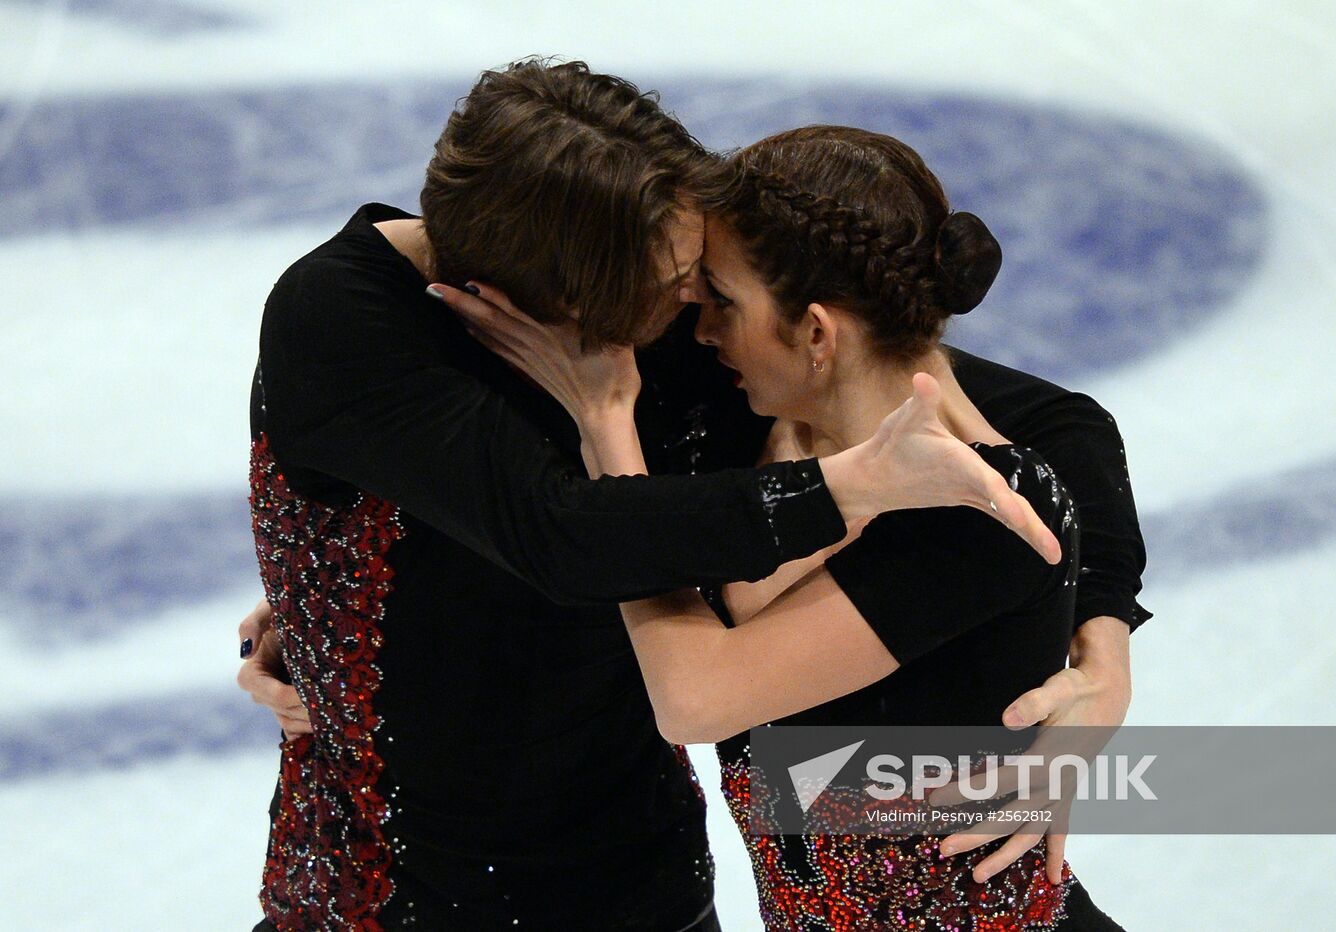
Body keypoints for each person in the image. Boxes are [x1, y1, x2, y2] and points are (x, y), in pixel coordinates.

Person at [240, 59, 1065, 931]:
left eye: (708, 285)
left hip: (641, 882)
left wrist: (1098, 651)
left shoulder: (663, 325)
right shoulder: (342, 324)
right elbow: (568, 536)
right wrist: (840, 486)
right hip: (389, 899)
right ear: (565, 294)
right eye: (678, 282)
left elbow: (1004, 412)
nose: (696, 306)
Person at [444, 125, 1137, 929]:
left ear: (814, 331)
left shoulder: (982, 506)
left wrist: (607, 430)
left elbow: (696, 699)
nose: (696, 327)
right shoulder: (741, 417)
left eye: (722, 301)